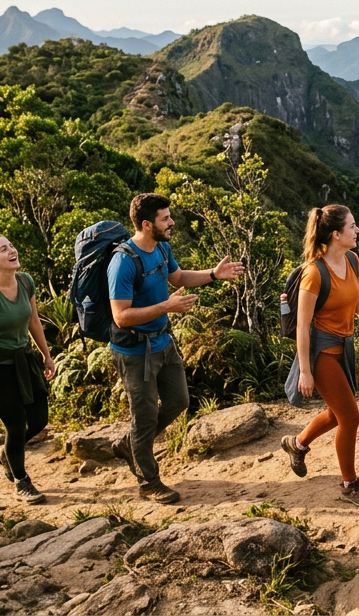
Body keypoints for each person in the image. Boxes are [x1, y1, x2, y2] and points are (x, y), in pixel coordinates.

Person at [109, 193, 245, 504]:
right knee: (143, 416)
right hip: (134, 352)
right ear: (147, 224)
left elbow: (179, 277)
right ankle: (148, 482)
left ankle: (129, 445)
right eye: (165, 218)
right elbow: (121, 315)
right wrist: (166, 307)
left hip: (163, 341)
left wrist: (213, 274)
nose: (172, 222)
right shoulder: (123, 261)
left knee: (179, 401)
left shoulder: (162, 248)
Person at [281, 205, 359, 508]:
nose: (357, 230)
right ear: (336, 234)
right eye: (352, 226)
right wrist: (305, 371)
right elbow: (303, 328)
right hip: (321, 353)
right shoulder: (313, 273)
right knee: (350, 416)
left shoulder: (351, 260)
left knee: (337, 413)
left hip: (344, 348)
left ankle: (297, 444)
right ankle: (349, 485)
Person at [0, 233, 55, 504]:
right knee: (16, 427)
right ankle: (20, 481)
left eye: (11, 246)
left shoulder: (25, 282)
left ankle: (6, 453)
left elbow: (34, 322)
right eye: (4, 249)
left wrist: (47, 356)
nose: (12, 250)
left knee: (39, 420)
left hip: (24, 362)